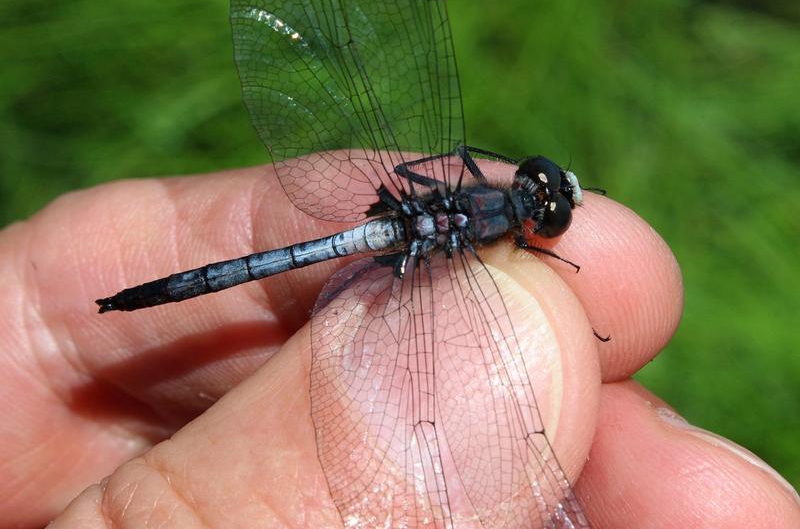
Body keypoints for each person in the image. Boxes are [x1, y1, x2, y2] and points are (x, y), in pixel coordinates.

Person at [1, 164, 798, 528]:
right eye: (543, 201)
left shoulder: (472, 196)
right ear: (527, 215)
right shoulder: (503, 234)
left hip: (410, 228)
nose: (540, 202)